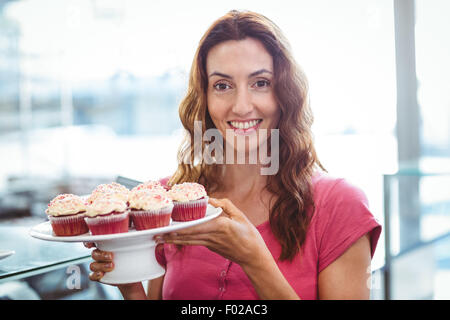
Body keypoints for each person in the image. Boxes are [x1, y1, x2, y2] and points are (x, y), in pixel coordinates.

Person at [86, 10, 381, 300]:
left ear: (285, 94)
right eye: (222, 85)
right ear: (204, 98)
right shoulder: (168, 201)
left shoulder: (340, 206)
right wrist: (129, 284)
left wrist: (254, 259)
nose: (241, 106)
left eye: (260, 83)